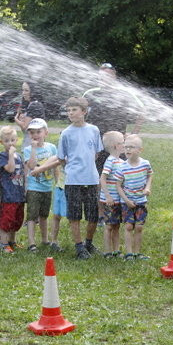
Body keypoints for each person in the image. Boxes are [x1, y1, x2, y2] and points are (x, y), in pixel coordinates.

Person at [57, 97, 103, 259]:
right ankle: (79, 247)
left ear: (84, 112)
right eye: (68, 110)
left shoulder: (94, 130)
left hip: (91, 179)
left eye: (74, 110)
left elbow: (96, 153)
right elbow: (61, 158)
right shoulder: (66, 133)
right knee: (74, 215)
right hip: (73, 180)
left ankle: (88, 244)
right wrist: (73, 168)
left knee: (93, 215)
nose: (70, 113)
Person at [82, 63, 144, 173]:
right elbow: (80, 114)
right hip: (96, 143)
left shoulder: (124, 94)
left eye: (108, 75)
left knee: (119, 174)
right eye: (102, 76)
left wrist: (133, 135)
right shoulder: (90, 93)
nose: (105, 78)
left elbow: (142, 111)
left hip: (118, 143)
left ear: (114, 76)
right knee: (96, 174)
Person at [117, 134, 153, 260]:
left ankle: (137, 253)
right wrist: (126, 200)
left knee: (139, 227)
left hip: (141, 201)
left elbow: (150, 175)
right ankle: (129, 253)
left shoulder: (145, 164)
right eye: (126, 147)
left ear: (140, 150)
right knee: (128, 226)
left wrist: (148, 187)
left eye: (131, 147)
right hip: (127, 202)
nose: (127, 149)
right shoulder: (122, 167)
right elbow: (118, 186)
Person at [23, 118, 57, 252]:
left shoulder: (51, 148)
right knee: (32, 216)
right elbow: (31, 166)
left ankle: (45, 239)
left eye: (38, 132)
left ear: (46, 133)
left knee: (44, 215)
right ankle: (31, 243)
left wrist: (57, 182)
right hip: (34, 188)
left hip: (47, 187)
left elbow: (56, 166)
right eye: (32, 133)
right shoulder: (27, 150)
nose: (35, 135)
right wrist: (33, 149)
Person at [0, 126, 26, 253]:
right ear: (1, 142)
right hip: (8, 195)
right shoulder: (2, 156)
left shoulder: (19, 156)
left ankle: (12, 241)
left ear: (17, 140)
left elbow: (23, 173)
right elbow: (10, 169)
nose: (10, 143)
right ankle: (4, 244)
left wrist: (25, 189)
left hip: (19, 194)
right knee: (7, 219)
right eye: (7, 141)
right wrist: (10, 155)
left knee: (17, 219)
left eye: (12, 140)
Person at [98, 131, 125, 257]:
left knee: (116, 226)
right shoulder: (110, 161)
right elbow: (102, 179)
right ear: (116, 146)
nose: (124, 145)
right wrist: (107, 195)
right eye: (122, 143)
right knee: (109, 226)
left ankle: (116, 250)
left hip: (118, 200)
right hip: (109, 200)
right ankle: (108, 251)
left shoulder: (120, 161)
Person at [14, 81, 47, 149]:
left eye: (26, 90)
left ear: (33, 91)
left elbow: (24, 127)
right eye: (23, 90)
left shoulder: (33, 105)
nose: (23, 93)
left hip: (31, 145)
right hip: (37, 143)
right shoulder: (36, 104)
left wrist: (16, 119)